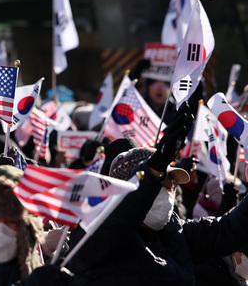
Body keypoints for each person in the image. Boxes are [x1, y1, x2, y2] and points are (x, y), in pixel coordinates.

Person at [66, 103, 248, 285]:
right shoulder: (92, 232)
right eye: (162, 182)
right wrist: (155, 167)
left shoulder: (176, 231)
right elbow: (120, 217)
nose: (170, 190)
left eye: (173, 184)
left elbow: (229, 229)